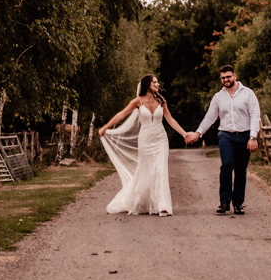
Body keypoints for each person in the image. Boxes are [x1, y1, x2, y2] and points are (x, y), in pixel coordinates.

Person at [98, 74, 189, 216]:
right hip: (145, 141)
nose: (158, 84)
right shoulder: (137, 102)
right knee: (146, 170)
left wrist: (184, 134)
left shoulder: (161, 101)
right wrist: (105, 128)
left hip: (161, 139)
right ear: (147, 85)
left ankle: (162, 205)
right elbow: (121, 115)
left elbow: (170, 119)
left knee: (160, 170)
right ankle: (141, 202)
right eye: (155, 82)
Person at [185, 64, 260, 215]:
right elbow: (210, 117)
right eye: (223, 78)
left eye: (228, 77)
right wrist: (198, 133)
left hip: (244, 135)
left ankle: (238, 203)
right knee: (226, 165)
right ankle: (224, 202)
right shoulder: (218, 97)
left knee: (241, 170)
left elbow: (255, 116)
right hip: (226, 135)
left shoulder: (248, 94)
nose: (226, 80)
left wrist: (253, 137)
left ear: (235, 76)